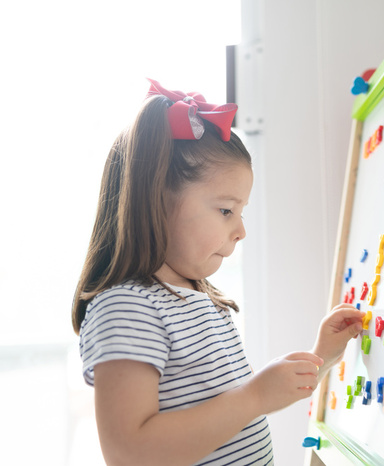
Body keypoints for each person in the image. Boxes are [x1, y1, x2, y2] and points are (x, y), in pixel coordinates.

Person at [71, 79, 364, 466]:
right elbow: (129, 453)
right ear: (158, 197)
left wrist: (321, 357)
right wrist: (255, 396)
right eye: (226, 210)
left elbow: (224, 413)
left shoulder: (196, 299)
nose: (241, 230)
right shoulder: (126, 307)